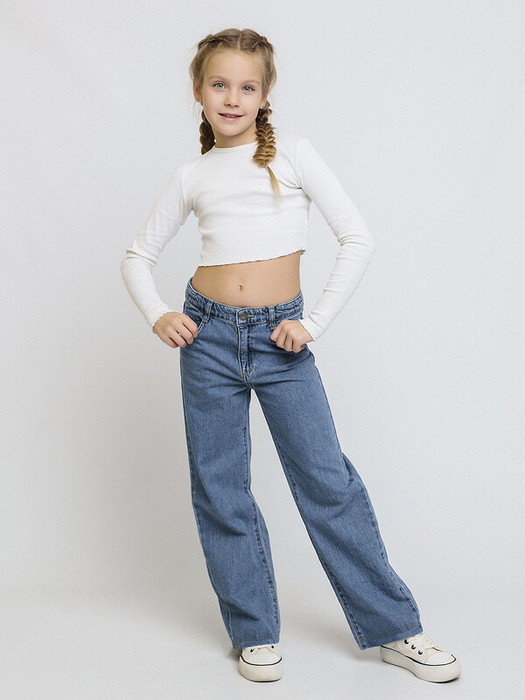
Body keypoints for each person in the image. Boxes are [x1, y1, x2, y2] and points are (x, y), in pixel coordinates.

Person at [120, 27, 461, 685]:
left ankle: (395, 630)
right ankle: (253, 633)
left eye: (246, 87)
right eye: (219, 84)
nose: (232, 98)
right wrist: (160, 313)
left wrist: (313, 323)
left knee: (327, 480)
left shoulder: (295, 155)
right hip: (208, 340)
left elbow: (357, 238)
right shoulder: (192, 175)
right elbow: (137, 255)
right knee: (221, 488)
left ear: (264, 93)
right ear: (199, 91)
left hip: (281, 340)